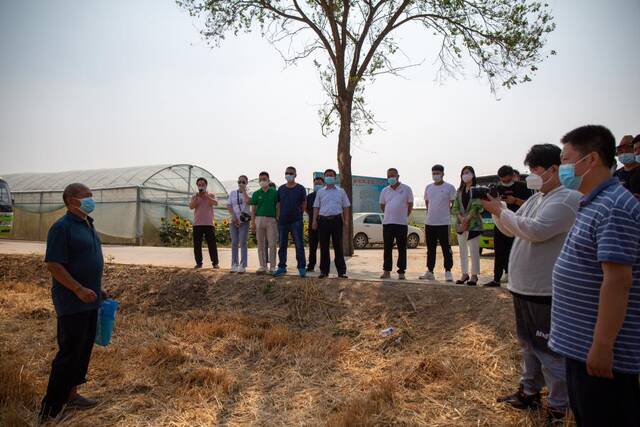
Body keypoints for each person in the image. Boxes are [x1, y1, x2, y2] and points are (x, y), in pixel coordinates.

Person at [482, 144, 582, 424]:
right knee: (528, 346)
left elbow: (534, 231)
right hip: (524, 288)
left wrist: (503, 212)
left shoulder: (566, 200)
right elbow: (510, 227)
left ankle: (558, 406)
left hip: (544, 291)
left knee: (549, 351)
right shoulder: (539, 197)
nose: (531, 176)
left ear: (553, 169)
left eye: (535, 170)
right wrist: (497, 209)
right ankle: (528, 392)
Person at [550, 125, 640, 427]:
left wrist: (602, 345)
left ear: (590, 160)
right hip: (581, 346)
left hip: (600, 356)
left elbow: (618, 282)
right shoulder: (593, 203)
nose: (563, 167)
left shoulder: (614, 207)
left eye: (566, 159)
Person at [39, 183, 106, 422]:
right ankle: (50, 409)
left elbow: (88, 260)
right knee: (69, 353)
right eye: (86, 196)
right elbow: (54, 265)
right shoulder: (62, 227)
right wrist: (77, 288)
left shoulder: (88, 224)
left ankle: (72, 395)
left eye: (91, 195)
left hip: (90, 298)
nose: (91, 199)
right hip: (72, 301)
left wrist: (97, 289)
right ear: (71, 200)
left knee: (83, 350)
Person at [484, 165, 532, 287]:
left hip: (518, 222)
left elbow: (530, 204)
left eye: (506, 179)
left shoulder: (523, 186)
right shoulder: (497, 188)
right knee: (499, 251)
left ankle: (516, 278)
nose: (504, 182)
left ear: (512, 176)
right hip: (500, 223)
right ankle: (496, 279)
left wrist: (515, 200)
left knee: (516, 251)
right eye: (502, 180)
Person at [420, 164, 457, 282]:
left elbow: (454, 204)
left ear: (442, 174)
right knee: (430, 248)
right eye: (433, 173)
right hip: (430, 222)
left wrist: (446, 214)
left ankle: (448, 271)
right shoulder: (428, 187)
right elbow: (427, 203)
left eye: (437, 173)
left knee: (446, 248)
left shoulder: (449, 187)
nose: (435, 175)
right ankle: (430, 271)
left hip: (444, 223)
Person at [312, 169, 351, 278]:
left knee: (338, 246)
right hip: (323, 221)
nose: (329, 177)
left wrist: (346, 220)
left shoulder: (341, 191)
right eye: (327, 175)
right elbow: (316, 207)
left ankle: (341, 271)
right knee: (324, 247)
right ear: (324, 178)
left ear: (335, 178)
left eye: (331, 175)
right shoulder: (320, 192)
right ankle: (324, 271)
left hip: (337, 220)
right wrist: (314, 221)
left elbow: (346, 206)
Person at [379, 168, 414, 280]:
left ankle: (401, 271)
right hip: (388, 223)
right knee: (387, 248)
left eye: (392, 176)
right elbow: (382, 205)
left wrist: (403, 215)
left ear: (398, 176)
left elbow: (410, 205)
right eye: (389, 176)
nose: (391, 178)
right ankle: (386, 271)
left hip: (401, 224)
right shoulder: (385, 190)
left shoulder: (406, 189)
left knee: (402, 248)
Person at [451, 166, 483, 286]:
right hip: (460, 224)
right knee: (462, 250)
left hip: (474, 224)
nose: (465, 175)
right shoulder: (459, 191)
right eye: (463, 173)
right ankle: (464, 274)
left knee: (474, 250)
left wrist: (468, 218)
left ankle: (474, 275)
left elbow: (477, 206)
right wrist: (461, 218)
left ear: (473, 175)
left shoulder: (477, 189)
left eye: (468, 173)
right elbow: (455, 207)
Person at [273, 166, 307, 277]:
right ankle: (282, 267)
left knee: (299, 244)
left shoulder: (301, 188)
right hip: (283, 221)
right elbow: (278, 204)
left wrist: (299, 215)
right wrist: (278, 216)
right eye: (287, 173)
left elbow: (304, 203)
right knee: (282, 245)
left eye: (291, 173)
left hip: (296, 221)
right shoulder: (281, 189)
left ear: (295, 175)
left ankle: (301, 267)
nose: (289, 174)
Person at [250, 172, 278, 274]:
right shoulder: (256, 194)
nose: (262, 181)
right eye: (260, 179)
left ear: (268, 180)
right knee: (260, 244)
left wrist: (277, 218)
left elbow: (278, 205)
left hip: (271, 220)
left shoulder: (274, 192)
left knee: (272, 244)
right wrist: (253, 222)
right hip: (259, 220)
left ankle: (273, 266)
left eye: (264, 179)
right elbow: (253, 210)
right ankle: (262, 266)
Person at [189, 177, 219, 269]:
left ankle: (215, 263)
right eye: (199, 185)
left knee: (212, 244)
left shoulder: (211, 195)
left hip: (209, 223)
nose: (201, 186)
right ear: (197, 186)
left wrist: (206, 196)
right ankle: (199, 263)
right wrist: (197, 197)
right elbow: (191, 206)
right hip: (197, 224)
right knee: (197, 245)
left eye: (203, 184)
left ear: (206, 185)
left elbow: (216, 203)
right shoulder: (195, 196)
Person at [227, 175, 251, 273]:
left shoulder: (249, 193)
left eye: (243, 182)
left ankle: (243, 264)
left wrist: (244, 191)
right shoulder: (232, 193)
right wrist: (233, 216)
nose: (241, 183)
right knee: (234, 242)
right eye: (239, 182)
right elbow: (229, 205)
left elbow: (247, 201)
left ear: (246, 183)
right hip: (233, 221)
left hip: (244, 221)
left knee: (243, 242)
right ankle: (234, 264)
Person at [305, 176, 325, 272]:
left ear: (323, 184)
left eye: (319, 183)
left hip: (324, 224)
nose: (317, 185)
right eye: (316, 183)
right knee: (312, 247)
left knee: (324, 247)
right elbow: (306, 208)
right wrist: (312, 216)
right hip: (312, 224)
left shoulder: (325, 195)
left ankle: (323, 267)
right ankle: (311, 265)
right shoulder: (309, 196)